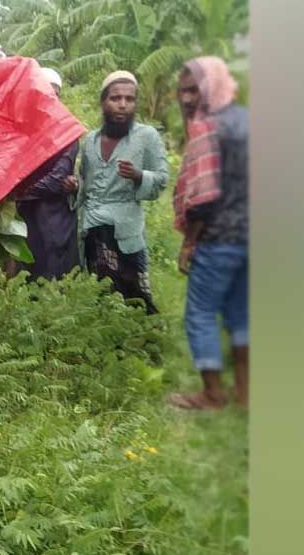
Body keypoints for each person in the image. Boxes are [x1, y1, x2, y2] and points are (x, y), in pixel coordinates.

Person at [167, 56, 249, 410]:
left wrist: (189, 241)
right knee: (239, 315)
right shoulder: (246, 122)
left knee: (200, 313)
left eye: (194, 90)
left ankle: (213, 393)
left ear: (211, 86)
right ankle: (245, 394)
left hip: (218, 238)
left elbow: (203, 196)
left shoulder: (207, 127)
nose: (187, 99)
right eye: (182, 91)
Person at [66, 70, 167, 314]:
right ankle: (108, 344)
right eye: (115, 98)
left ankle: (145, 344)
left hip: (126, 230)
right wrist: (75, 185)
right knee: (101, 296)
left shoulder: (147, 137)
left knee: (137, 297)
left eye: (129, 99)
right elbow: (87, 180)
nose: (122, 105)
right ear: (103, 102)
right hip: (93, 229)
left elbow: (162, 179)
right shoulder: (90, 140)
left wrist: (139, 175)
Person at [14, 68, 80, 280]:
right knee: (24, 275)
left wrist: (16, 192)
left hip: (54, 218)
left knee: (53, 275)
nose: (50, 98)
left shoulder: (67, 132)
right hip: (24, 216)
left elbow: (56, 180)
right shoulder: (21, 128)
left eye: (55, 94)